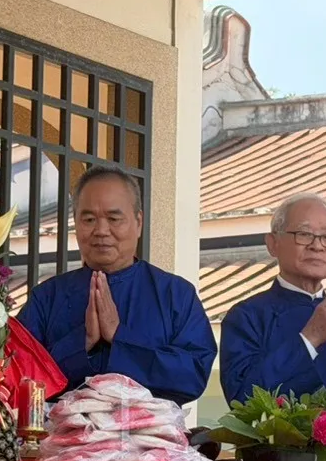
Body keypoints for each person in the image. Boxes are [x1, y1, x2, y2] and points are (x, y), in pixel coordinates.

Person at [16, 166, 215, 404]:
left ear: (138, 222)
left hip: (151, 428)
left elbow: (193, 376)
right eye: (89, 219)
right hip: (62, 427)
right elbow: (18, 377)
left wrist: (119, 336)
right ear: (76, 223)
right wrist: (82, 341)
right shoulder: (46, 298)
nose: (101, 231)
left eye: (113, 219)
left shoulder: (175, 295)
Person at [218, 193, 326, 404]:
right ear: (273, 243)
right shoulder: (247, 317)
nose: (317, 246)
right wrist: (310, 337)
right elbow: (242, 398)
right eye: (304, 234)